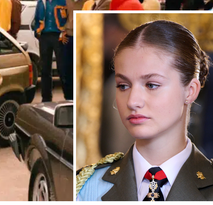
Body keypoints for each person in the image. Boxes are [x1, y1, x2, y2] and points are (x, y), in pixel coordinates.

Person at [77, 20, 213, 201]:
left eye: (152, 85)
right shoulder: (87, 187)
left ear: (190, 91)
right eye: (123, 86)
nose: (132, 101)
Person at [34, 0, 67, 102]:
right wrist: (37, 31)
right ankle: (46, 97)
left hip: (58, 36)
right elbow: (37, 17)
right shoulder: (41, 0)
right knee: (45, 68)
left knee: (62, 67)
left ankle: (67, 96)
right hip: (45, 36)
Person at [63, 0, 90, 101]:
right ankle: (69, 99)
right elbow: (66, 17)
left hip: (82, 39)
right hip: (68, 37)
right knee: (67, 71)